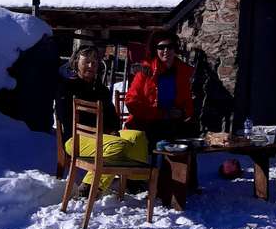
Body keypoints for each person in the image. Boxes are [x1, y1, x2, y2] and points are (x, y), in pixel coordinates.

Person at [56, 45, 151, 193]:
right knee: (118, 146)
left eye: (94, 62)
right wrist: (97, 131)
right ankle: (90, 186)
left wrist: (112, 130)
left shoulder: (101, 90)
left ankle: (133, 182)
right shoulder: (67, 87)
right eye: (86, 62)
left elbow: (112, 116)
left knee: (138, 137)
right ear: (76, 63)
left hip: (103, 136)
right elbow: (65, 117)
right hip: (76, 138)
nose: (91, 65)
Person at [125, 28, 196, 144]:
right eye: (161, 47)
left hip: (173, 124)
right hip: (147, 123)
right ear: (155, 49)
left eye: (170, 47)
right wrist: (161, 114)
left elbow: (187, 102)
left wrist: (182, 113)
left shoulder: (182, 72)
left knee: (189, 141)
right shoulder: (145, 71)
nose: (166, 50)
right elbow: (131, 102)